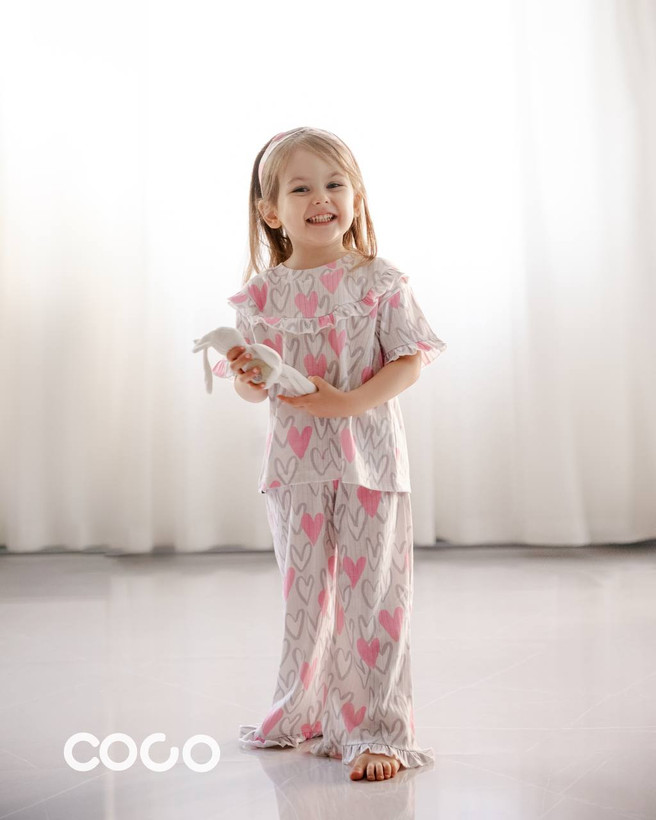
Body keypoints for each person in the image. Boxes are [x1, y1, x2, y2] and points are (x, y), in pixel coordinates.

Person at [211, 126, 447, 782]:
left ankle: (379, 730)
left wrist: (349, 403)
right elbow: (251, 388)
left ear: (357, 196)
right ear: (271, 211)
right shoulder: (260, 296)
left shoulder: (379, 280)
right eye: (302, 188)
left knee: (373, 597)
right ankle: (305, 710)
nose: (322, 198)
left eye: (335, 184)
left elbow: (410, 359)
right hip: (295, 468)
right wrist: (247, 375)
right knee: (306, 596)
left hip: (370, 461)